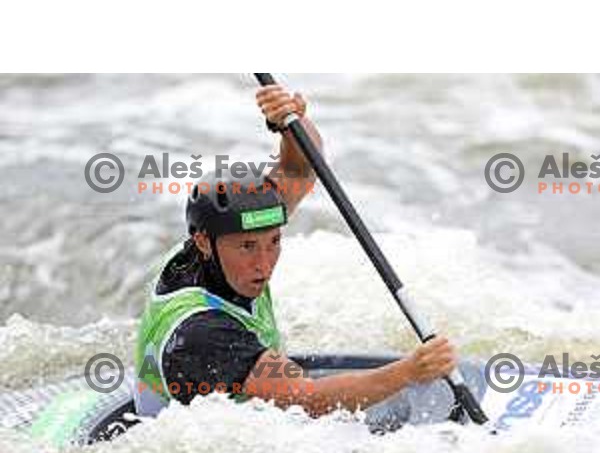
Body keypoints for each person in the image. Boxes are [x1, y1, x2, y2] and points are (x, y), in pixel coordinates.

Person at [134, 84, 457, 418]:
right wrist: (407, 371)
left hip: (237, 394)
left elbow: (300, 169)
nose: (263, 264)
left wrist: (291, 124)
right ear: (203, 242)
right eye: (247, 247)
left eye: (274, 242)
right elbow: (309, 400)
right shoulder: (204, 333)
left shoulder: (230, 231)